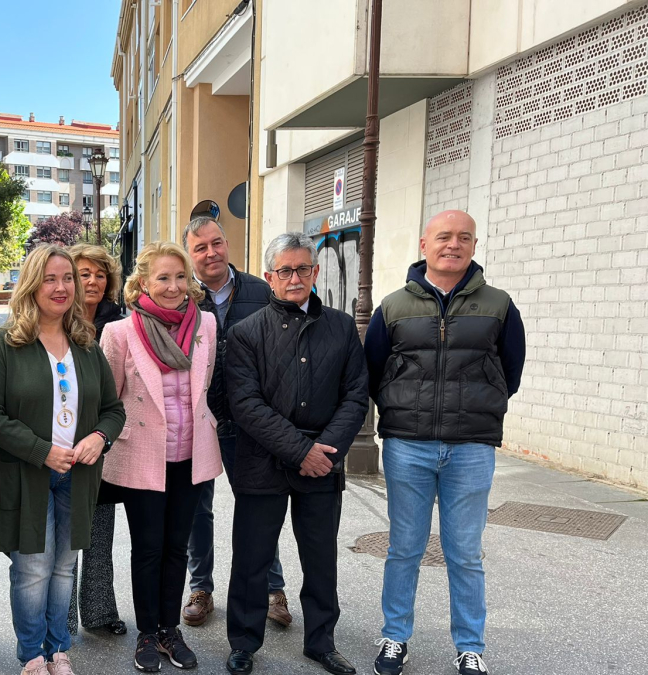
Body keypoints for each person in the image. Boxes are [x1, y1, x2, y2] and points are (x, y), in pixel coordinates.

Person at [365, 210, 525, 675]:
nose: (453, 244)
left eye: (463, 238)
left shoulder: (499, 305)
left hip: (471, 447)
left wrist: (478, 407)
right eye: (444, 237)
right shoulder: (393, 306)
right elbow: (374, 370)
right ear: (424, 245)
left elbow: (510, 372)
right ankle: (395, 638)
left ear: (474, 246)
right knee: (404, 548)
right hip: (408, 446)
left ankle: (470, 647)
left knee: (465, 553)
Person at [0, 245, 126, 675]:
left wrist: (100, 437)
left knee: (63, 569)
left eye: (67, 278)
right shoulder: (4, 343)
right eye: (50, 279)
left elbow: (113, 409)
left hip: (78, 476)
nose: (61, 287)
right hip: (26, 476)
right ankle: (32, 657)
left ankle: (59, 651)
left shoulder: (86, 345)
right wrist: (40, 450)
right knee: (34, 569)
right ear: (32, 285)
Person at [223, 232, 368, 675]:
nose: (294, 278)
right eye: (284, 270)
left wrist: (324, 452)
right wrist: (300, 450)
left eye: (303, 268)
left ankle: (321, 642)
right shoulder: (245, 333)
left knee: (321, 560)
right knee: (252, 559)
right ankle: (244, 642)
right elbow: (245, 404)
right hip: (262, 461)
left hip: (322, 461)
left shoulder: (342, 327)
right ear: (269, 277)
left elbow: (356, 396)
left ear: (315, 271)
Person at [100, 242, 221, 672]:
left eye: (180, 277)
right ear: (143, 283)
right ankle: (147, 634)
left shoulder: (206, 324)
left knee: (177, 548)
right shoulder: (120, 332)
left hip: (191, 454)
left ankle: (171, 629)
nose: (173, 286)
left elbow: (206, 384)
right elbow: (110, 398)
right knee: (148, 549)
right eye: (163, 278)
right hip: (143, 456)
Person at [180, 216, 287, 628]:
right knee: (197, 510)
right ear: (190, 255)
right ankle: (200, 588)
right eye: (200, 247)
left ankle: (271, 588)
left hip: (251, 420)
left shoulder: (261, 292)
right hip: (199, 419)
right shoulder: (182, 297)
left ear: (227, 244)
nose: (211, 253)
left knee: (256, 506)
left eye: (217, 243)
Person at [65, 243, 127, 637]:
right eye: (84, 273)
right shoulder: (54, 319)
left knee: (100, 531)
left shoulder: (119, 324)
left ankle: (100, 612)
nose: (93, 281)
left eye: (100, 274)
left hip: (107, 440)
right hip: (63, 440)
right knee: (65, 535)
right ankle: (62, 618)